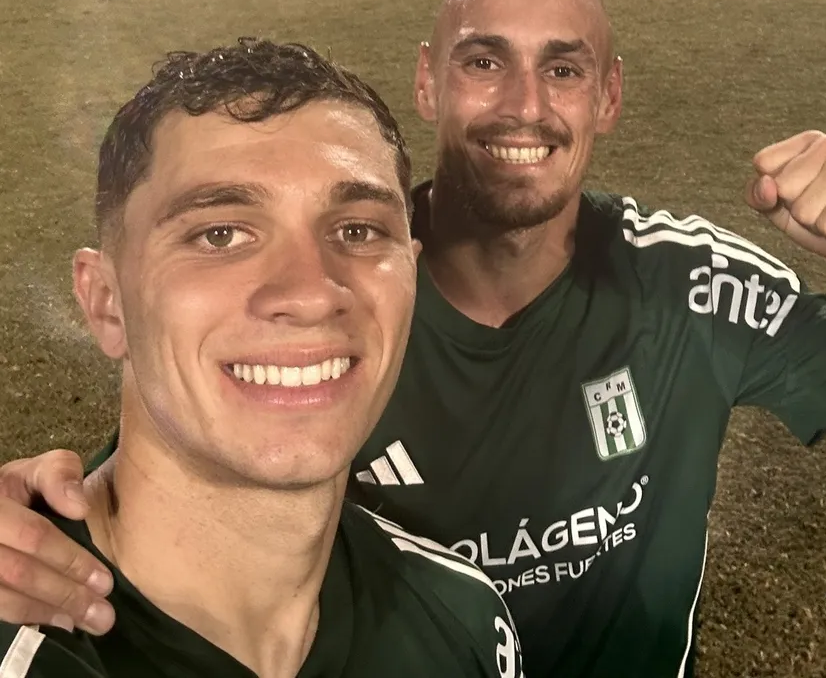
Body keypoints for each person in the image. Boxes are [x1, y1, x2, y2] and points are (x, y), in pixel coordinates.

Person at [1, 0, 826, 678]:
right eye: (485, 61)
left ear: (607, 96)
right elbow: (172, 469)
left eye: (562, 69)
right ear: (430, 80)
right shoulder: (347, 315)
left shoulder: (691, 287)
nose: (525, 104)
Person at [0, 38, 523, 678]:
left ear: (410, 279)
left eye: (357, 231)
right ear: (108, 303)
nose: (310, 293)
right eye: (220, 234)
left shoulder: (464, 617)